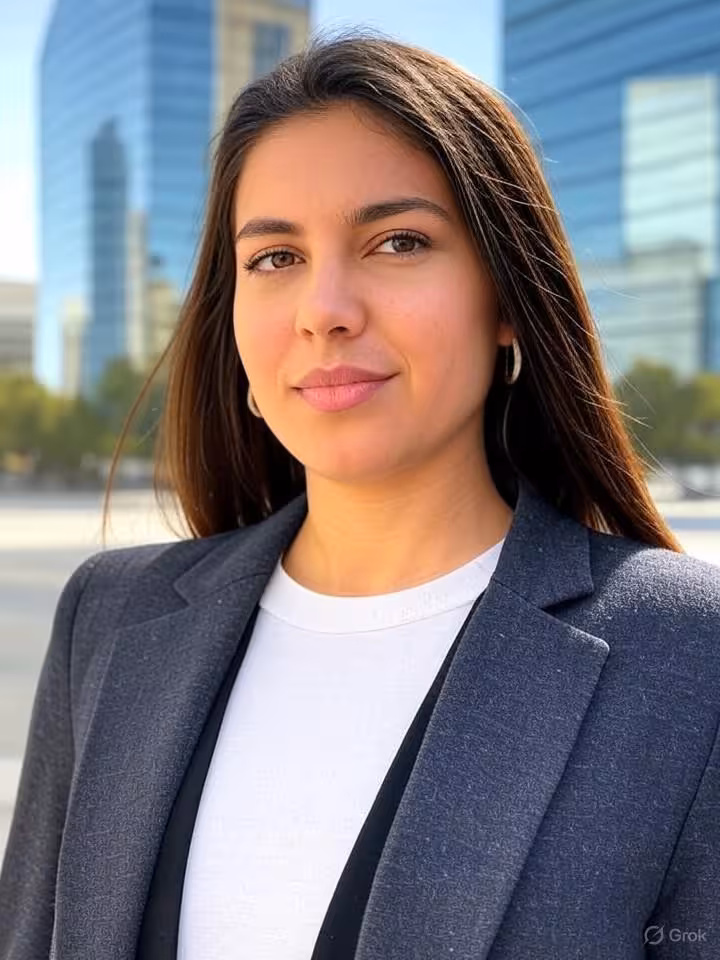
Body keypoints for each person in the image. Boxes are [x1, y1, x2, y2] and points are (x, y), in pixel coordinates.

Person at [1, 28, 719, 960]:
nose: (324, 308)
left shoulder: (684, 657)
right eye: (274, 258)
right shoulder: (107, 620)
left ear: (505, 303)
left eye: (397, 241)